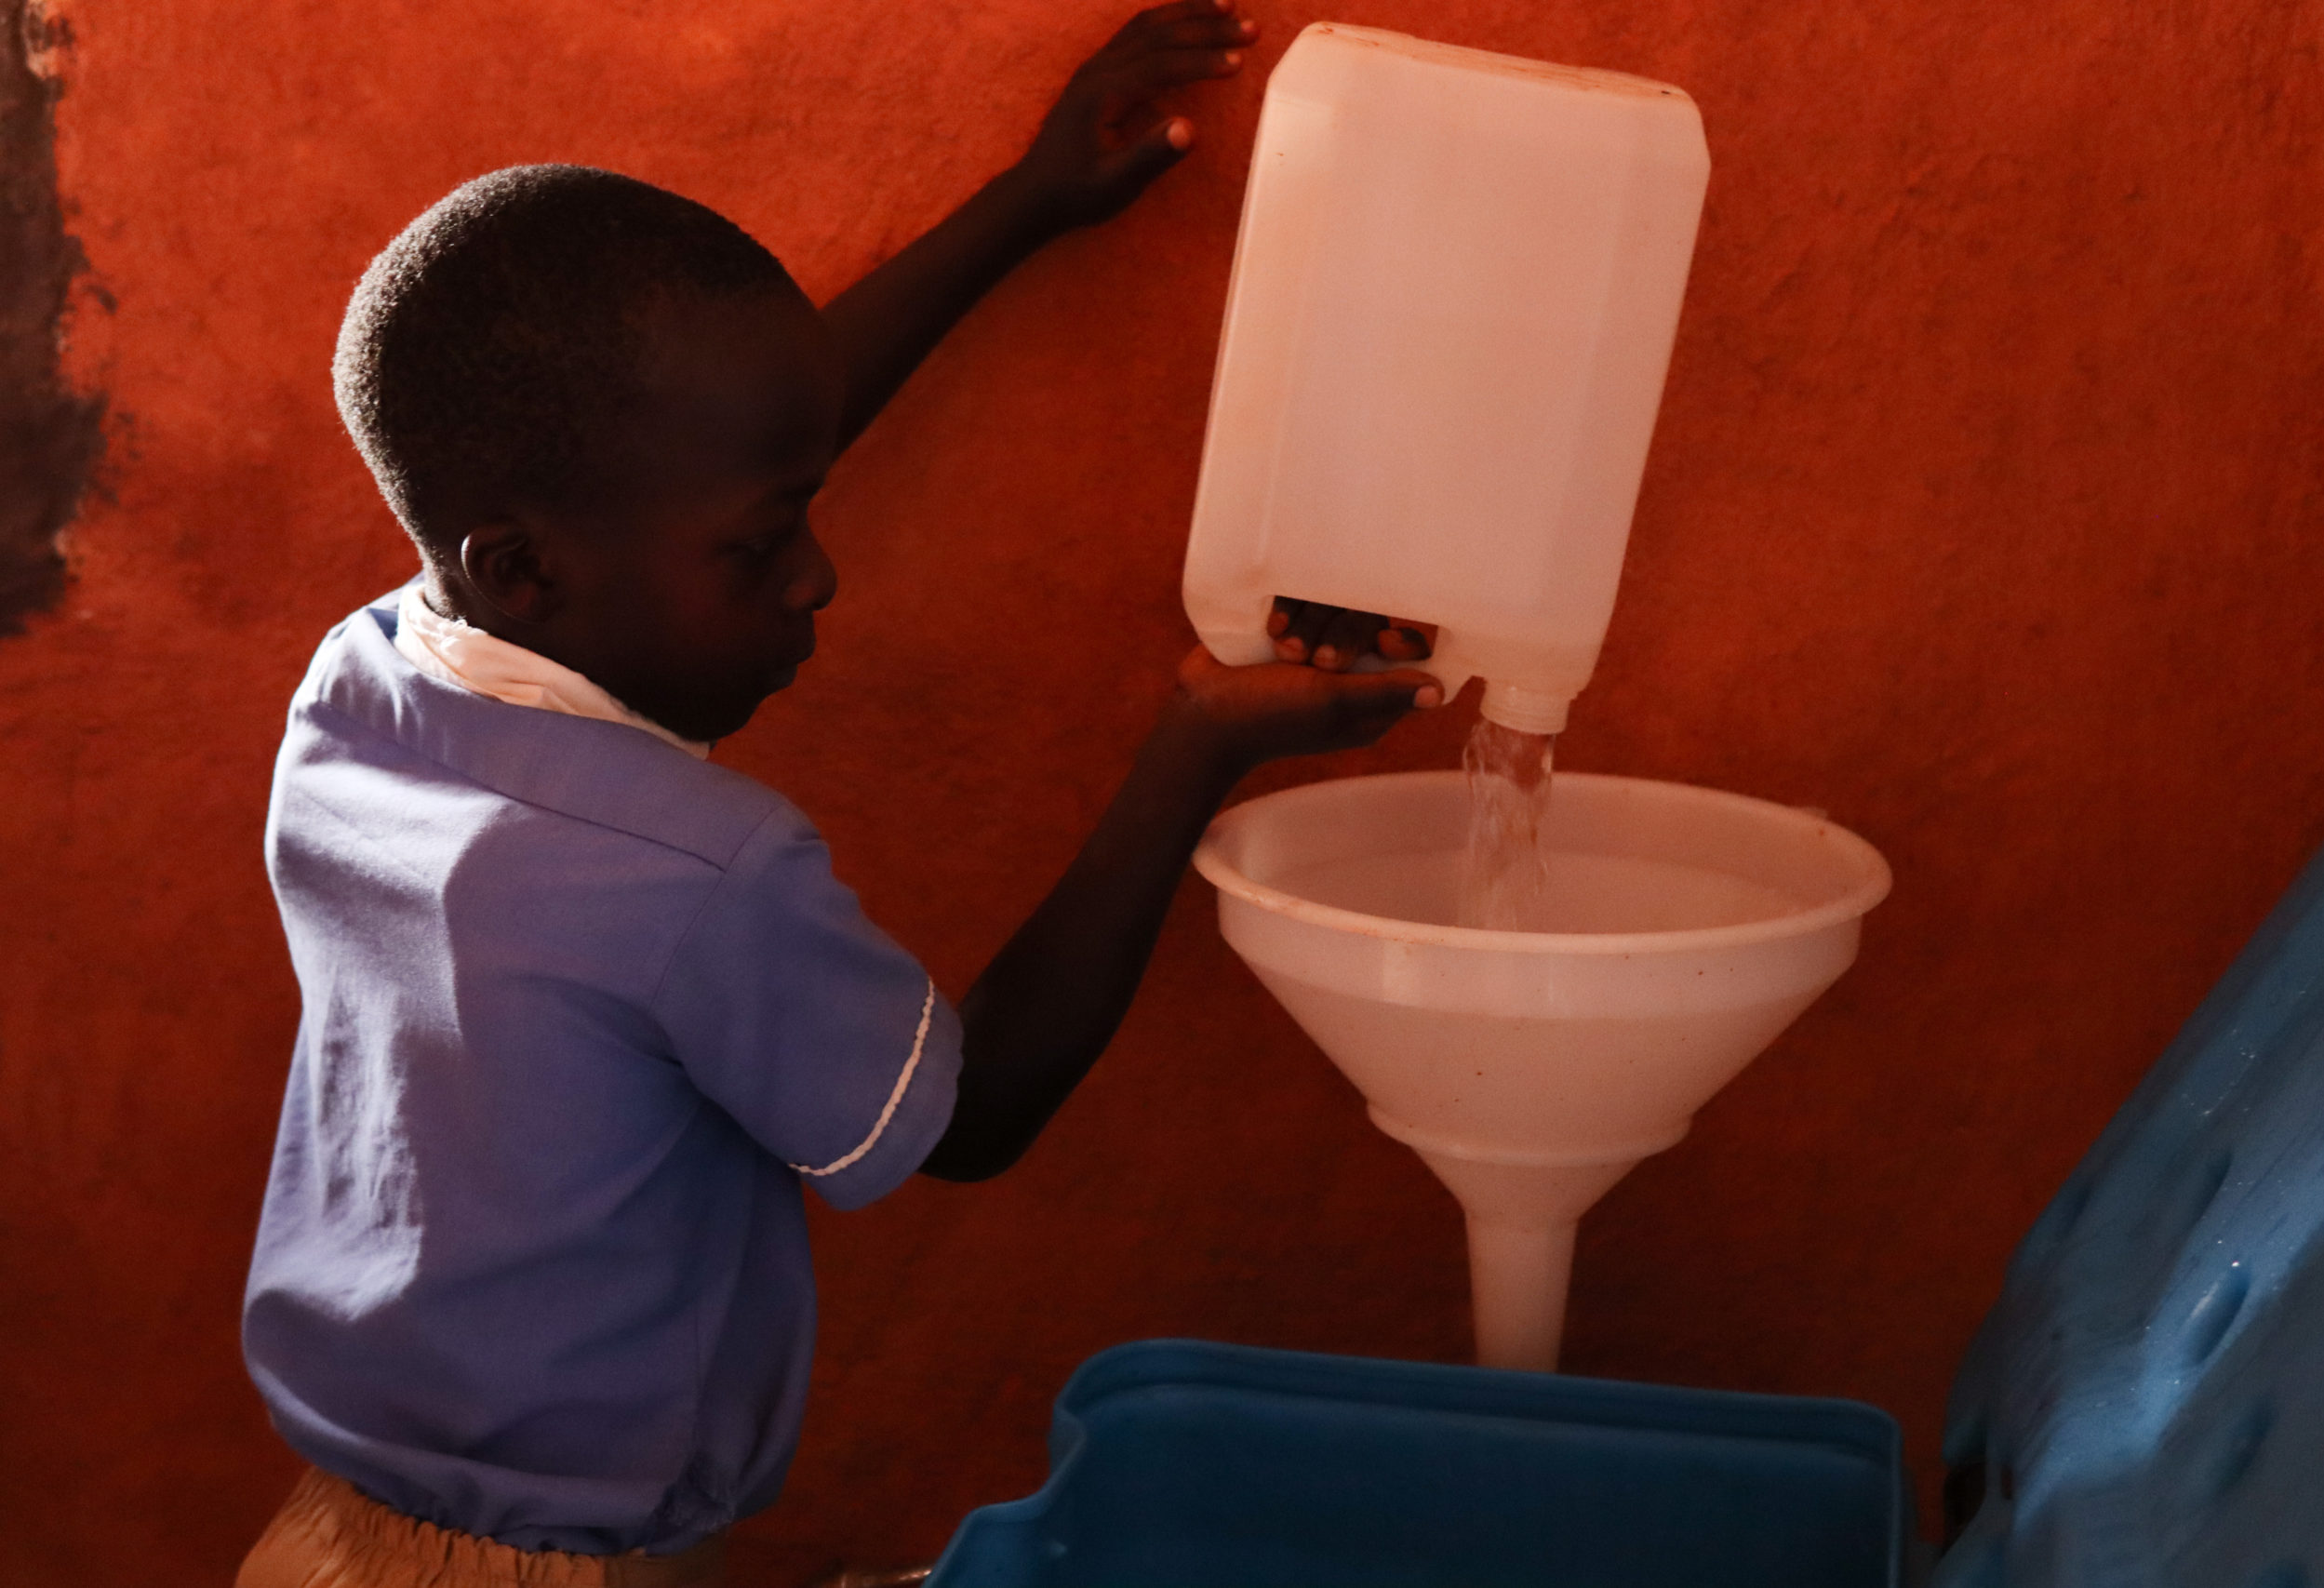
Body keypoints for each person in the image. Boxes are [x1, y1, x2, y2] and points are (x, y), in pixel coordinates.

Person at [235, 5, 1441, 1584]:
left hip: (331, 1526)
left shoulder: (360, 684)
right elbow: (974, 1111)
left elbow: (679, 462)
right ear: (525, 564)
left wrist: (1024, 204)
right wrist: (1190, 753)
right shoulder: (695, 877)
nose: (817, 576)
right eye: (762, 547)